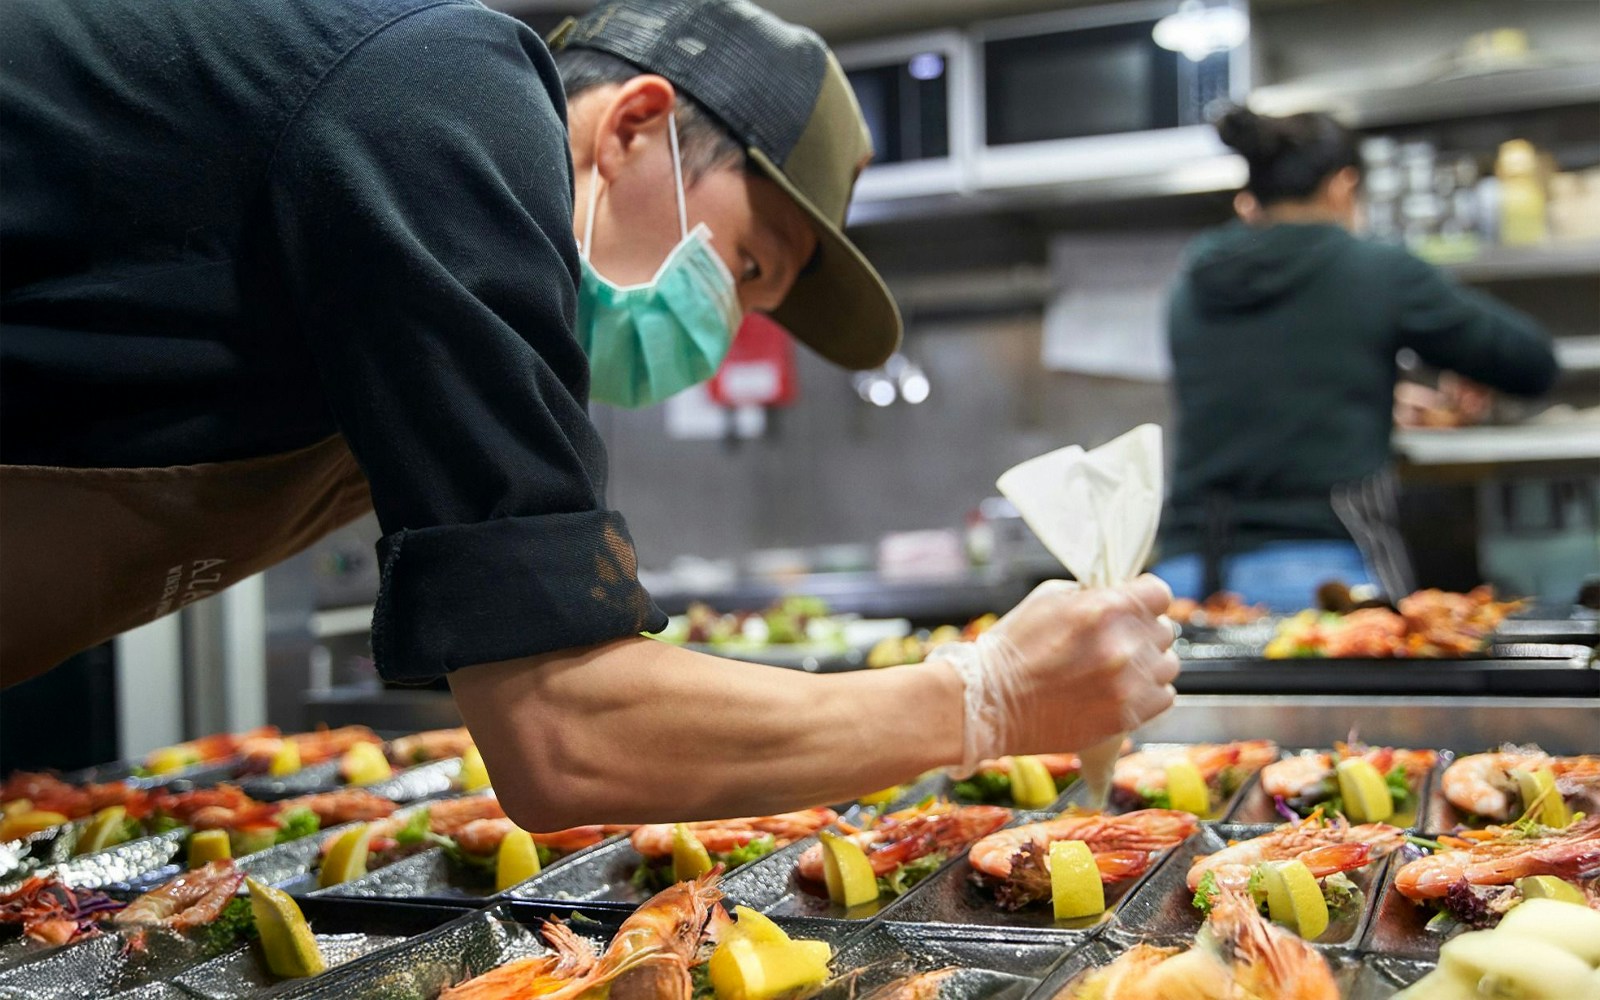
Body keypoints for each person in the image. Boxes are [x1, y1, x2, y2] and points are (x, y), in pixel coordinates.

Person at [1, 0, 1181, 828]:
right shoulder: (448, 90)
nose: (734, 321)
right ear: (633, 126)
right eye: (751, 267)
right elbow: (565, 729)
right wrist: (988, 698)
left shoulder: (441, 288)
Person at [1153, 109, 1560, 612]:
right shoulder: (1372, 268)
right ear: (1344, 186)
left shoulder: (1193, 279)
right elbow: (1533, 363)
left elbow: (1261, 389)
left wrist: (1370, 392)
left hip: (1183, 579)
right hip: (1323, 578)